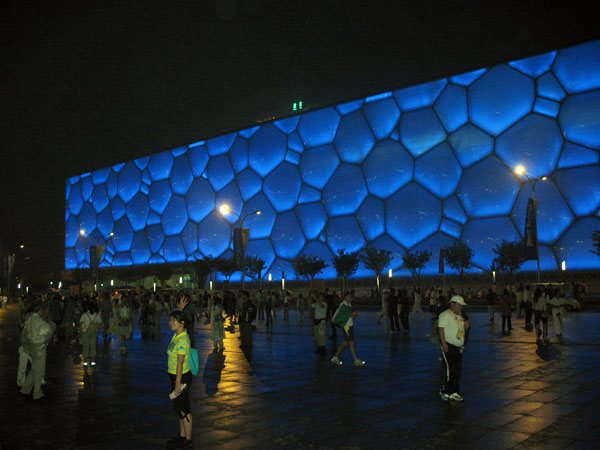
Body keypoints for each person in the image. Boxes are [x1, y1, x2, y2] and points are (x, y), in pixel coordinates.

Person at [166, 311, 193, 449]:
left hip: (181, 377)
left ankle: (188, 440)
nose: (171, 322)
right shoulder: (177, 335)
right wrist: (181, 309)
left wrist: (178, 384)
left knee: (184, 407)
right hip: (175, 376)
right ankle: (182, 436)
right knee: (178, 408)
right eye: (170, 320)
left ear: (182, 323)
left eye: (174, 320)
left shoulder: (182, 339)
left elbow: (180, 363)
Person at [20, 300, 55, 400]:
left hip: (32, 345)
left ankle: (25, 389)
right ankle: (37, 392)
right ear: (41, 309)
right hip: (39, 346)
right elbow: (48, 330)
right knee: (39, 370)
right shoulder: (39, 321)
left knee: (34, 369)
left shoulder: (30, 318)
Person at [438, 295, 470, 402]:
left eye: (462, 305)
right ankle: (445, 390)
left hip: (458, 347)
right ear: (452, 304)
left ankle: (454, 391)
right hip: (448, 345)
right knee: (449, 369)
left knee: (457, 370)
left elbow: (461, 331)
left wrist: (465, 333)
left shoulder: (460, 316)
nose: (461, 307)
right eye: (459, 305)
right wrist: (444, 344)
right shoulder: (445, 315)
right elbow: (441, 329)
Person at [330, 293, 365, 367]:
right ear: (345, 298)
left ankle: (335, 357)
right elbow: (345, 315)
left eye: (351, 298)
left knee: (346, 343)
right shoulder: (344, 305)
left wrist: (354, 315)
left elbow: (348, 316)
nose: (351, 299)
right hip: (347, 326)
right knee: (351, 342)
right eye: (349, 297)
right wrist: (353, 314)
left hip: (349, 325)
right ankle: (356, 360)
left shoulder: (348, 305)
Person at [79, 301, 102, 366]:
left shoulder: (84, 315)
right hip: (94, 332)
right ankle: (93, 361)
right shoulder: (96, 315)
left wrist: (80, 332)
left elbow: (80, 324)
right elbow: (100, 323)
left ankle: (85, 361)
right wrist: (97, 329)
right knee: (93, 346)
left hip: (85, 332)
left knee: (86, 346)